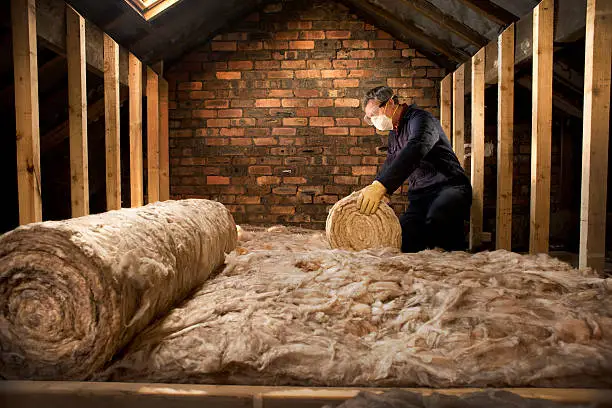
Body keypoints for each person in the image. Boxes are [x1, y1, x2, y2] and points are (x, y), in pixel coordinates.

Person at [357, 86, 472, 252]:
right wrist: (378, 188)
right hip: (421, 197)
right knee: (404, 240)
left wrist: (382, 185)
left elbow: (416, 147)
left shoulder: (421, 119)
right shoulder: (394, 132)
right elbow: (391, 161)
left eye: (374, 114)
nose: (373, 120)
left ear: (390, 103)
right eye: (369, 118)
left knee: (439, 231)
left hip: (449, 189)